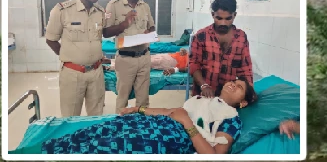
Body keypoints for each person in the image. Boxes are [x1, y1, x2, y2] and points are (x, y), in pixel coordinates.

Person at [40, 78, 256, 155]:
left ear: (243, 102)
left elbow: (214, 155)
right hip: (159, 123)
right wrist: (139, 110)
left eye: (238, 87)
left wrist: (187, 124)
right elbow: (173, 112)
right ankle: (52, 148)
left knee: (114, 143)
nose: (232, 84)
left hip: (174, 139)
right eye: (233, 81)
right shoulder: (203, 100)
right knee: (107, 127)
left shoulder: (231, 119)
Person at [44, 0, 112, 117]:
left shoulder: (100, 12)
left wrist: (96, 56)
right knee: (70, 117)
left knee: (96, 116)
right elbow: (51, 39)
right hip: (73, 74)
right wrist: (71, 56)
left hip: (96, 73)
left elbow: (96, 38)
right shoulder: (62, 10)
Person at [104, 0, 156, 113]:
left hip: (144, 57)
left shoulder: (144, 6)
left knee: (143, 99)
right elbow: (106, 32)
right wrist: (125, 23)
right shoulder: (114, 5)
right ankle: (121, 129)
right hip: (125, 58)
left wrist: (149, 33)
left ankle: (142, 128)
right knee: (123, 98)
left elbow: (152, 26)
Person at [189, 0, 254, 98]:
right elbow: (194, 64)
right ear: (212, 14)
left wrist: (249, 93)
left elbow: (246, 69)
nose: (223, 23)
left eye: (228, 19)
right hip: (204, 94)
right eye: (219, 18)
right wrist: (203, 85)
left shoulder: (241, 37)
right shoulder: (201, 36)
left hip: (229, 97)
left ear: (235, 15)